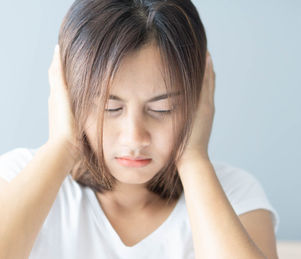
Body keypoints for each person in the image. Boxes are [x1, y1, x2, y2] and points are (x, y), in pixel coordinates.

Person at [0, 0, 279, 258]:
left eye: (162, 109)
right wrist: (63, 146)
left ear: (197, 103)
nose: (134, 137)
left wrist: (194, 159)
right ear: (69, 97)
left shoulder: (235, 194)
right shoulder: (16, 176)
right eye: (110, 108)